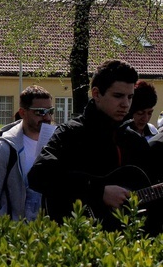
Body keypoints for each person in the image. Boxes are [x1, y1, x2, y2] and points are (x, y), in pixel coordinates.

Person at [28, 60, 152, 229]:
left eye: (130, 97)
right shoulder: (71, 133)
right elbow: (39, 175)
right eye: (118, 96)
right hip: (76, 238)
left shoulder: (134, 142)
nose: (126, 104)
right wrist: (98, 191)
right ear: (96, 94)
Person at [0, 85, 53, 220]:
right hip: (14, 232)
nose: (47, 117)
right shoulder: (4, 148)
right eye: (40, 112)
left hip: (50, 232)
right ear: (22, 112)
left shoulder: (56, 145)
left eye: (50, 111)